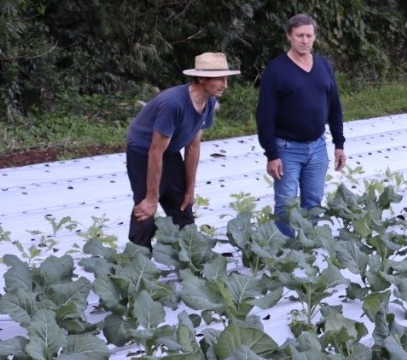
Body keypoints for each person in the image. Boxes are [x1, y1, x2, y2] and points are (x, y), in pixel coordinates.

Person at [125, 52, 240, 249]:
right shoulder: (174, 103)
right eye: (219, 78)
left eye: (226, 78)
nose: (225, 84)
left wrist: (190, 188)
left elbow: (193, 145)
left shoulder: (209, 101)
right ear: (202, 78)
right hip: (143, 151)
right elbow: (155, 152)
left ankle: (190, 256)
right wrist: (153, 197)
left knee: (183, 204)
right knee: (145, 208)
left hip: (168, 151)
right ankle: (137, 260)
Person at [256, 13, 347, 236]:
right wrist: (271, 154)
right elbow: (264, 115)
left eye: (309, 35)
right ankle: (283, 256)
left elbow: (334, 106)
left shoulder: (324, 66)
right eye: (299, 35)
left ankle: (306, 250)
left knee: (314, 203)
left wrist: (339, 143)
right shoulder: (276, 70)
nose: (304, 40)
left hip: (317, 147)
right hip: (287, 149)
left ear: (314, 37)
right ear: (289, 36)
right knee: (285, 205)